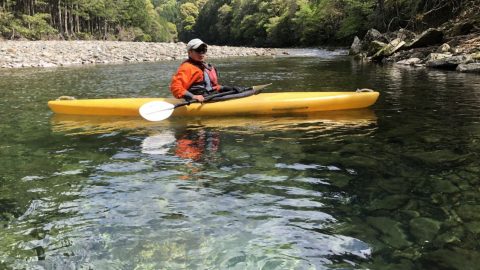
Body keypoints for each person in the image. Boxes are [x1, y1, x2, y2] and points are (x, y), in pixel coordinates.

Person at [170, 38, 242, 102]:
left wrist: (227, 88)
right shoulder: (187, 68)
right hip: (199, 100)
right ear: (189, 52)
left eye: (203, 50)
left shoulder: (204, 66)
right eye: (198, 50)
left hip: (211, 96)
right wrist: (193, 96)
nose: (202, 53)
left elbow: (210, 87)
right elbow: (175, 87)